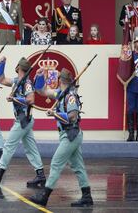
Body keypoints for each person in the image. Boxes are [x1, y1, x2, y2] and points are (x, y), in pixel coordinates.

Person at [29, 68, 93, 207]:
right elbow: (41, 91)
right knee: (78, 166)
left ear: (60, 81)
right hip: (68, 134)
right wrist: (39, 77)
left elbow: (73, 116)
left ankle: (44, 196)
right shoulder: (60, 93)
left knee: (56, 163)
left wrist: (55, 114)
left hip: (71, 134)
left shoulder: (70, 96)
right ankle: (87, 196)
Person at [0, 56, 45, 188]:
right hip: (24, 120)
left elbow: (31, 99)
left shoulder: (27, 83)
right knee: (30, 148)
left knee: (9, 145)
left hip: (23, 119)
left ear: (18, 67)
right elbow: (1, 79)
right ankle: (40, 175)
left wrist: (15, 100)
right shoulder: (17, 81)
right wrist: (2, 64)